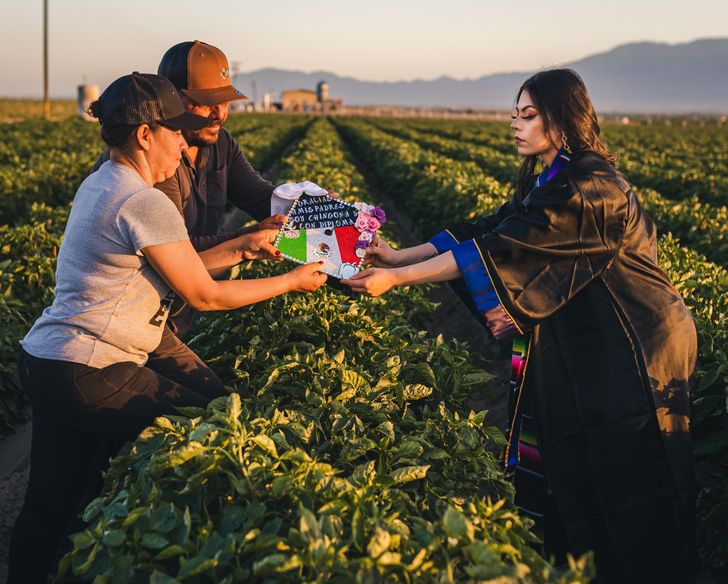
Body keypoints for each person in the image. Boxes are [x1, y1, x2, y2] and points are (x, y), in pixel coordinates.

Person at [342, 69, 699, 583]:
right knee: (577, 447)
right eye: (515, 113)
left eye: (528, 115)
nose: (515, 123)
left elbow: (503, 250)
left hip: (634, 343)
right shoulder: (551, 177)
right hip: (592, 335)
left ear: (563, 120)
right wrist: (400, 255)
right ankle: (581, 560)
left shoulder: (591, 186)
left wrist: (398, 278)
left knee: (629, 469)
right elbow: (491, 230)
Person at [8, 73, 327, 584]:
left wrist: (247, 245)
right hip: (91, 367)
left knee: (54, 502)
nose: (184, 142)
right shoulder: (144, 200)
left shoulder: (104, 182)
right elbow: (205, 293)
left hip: (49, 360)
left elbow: (185, 266)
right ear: (144, 135)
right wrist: (290, 280)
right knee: (214, 429)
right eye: (175, 131)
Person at [91, 40, 338, 338]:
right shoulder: (147, 165)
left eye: (224, 102)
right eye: (205, 103)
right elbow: (180, 256)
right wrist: (249, 238)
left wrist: (322, 214)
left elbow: (261, 198)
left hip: (173, 313)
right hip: (135, 316)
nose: (219, 114)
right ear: (170, 98)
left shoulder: (220, 144)